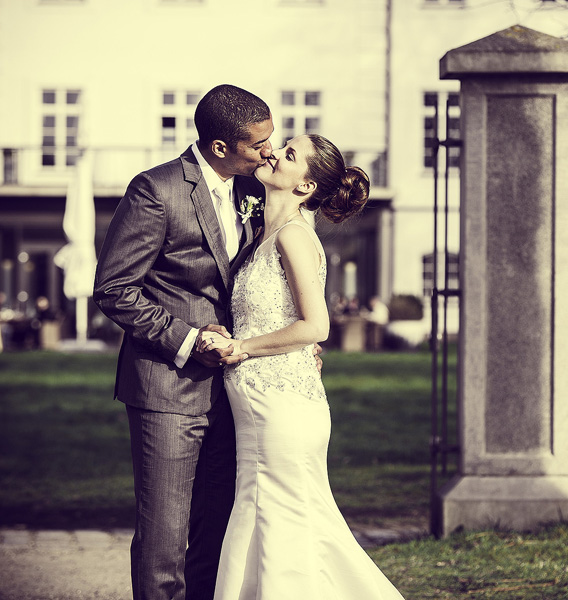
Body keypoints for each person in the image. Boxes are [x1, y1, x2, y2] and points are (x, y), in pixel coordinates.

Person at [94, 84, 319, 600]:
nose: (269, 152)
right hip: (167, 390)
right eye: (258, 145)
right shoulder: (156, 190)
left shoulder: (252, 192)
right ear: (220, 147)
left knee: (217, 536)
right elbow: (113, 289)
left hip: (240, 394)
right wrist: (189, 338)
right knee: (164, 541)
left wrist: (294, 339)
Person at [198, 134, 405, 599]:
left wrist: (243, 348)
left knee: (282, 522)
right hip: (266, 406)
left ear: (306, 186)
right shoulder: (265, 235)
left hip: (281, 408)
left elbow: (316, 326)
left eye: (288, 154)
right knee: (276, 522)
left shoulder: (292, 235)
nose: (272, 153)